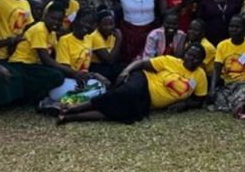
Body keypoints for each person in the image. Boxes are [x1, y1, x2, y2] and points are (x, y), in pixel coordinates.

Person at [56, 43, 208, 125]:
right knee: (123, 94)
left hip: (149, 102)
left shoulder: (200, 76)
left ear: (201, 61)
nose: (191, 59)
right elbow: (141, 63)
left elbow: (199, 100)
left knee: (123, 114)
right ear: (184, 54)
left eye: (196, 58)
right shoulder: (171, 60)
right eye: (189, 54)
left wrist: (186, 104)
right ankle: (73, 108)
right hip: (143, 80)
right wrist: (126, 71)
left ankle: (71, 117)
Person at [5, 1, 69, 103]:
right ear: (46, 16)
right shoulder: (40, 29)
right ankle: (33, 98)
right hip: (21, 64)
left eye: (59, 20)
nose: (56, 22)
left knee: (58, 73)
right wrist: (72, 72)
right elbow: (46, 59)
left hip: (33, 65)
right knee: (56, 75)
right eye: (53, 18)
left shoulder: (52, 33)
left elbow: (54, 55)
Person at [50, 10, 112, 99]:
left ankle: (69, 103)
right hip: (67, 81)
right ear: (77, 21)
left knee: (101, 87)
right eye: (85, 21)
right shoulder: (65, 40)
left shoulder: (89, 39)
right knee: (99, 89)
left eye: (91, 23)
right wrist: (95, 75)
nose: (87, 25)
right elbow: (65, 69)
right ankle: (69, 103)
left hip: (82, 80)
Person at [207, 15, 245, 112]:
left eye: (237, 27)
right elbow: (217, 69)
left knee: (243, 95)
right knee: (215, 96)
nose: (233, 29)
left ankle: (231, 105)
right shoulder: (222, 45)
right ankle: (234, 105)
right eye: (231, 26)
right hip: (228, 84)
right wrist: (212, 89)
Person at [112, 0, 160, 64]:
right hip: (129, 35)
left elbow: (160, 4)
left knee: (148, 61)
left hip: (149, 32)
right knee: (129, 63)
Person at [88, 8, 124, 81]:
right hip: (96, 66)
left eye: (111, 24)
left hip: (109, 65)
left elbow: (116, 55)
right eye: (105, 25)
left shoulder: (112, 35)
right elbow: (109, 60)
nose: (109, 27)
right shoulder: (95, 37)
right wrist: (119, 39)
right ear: (98, 25)